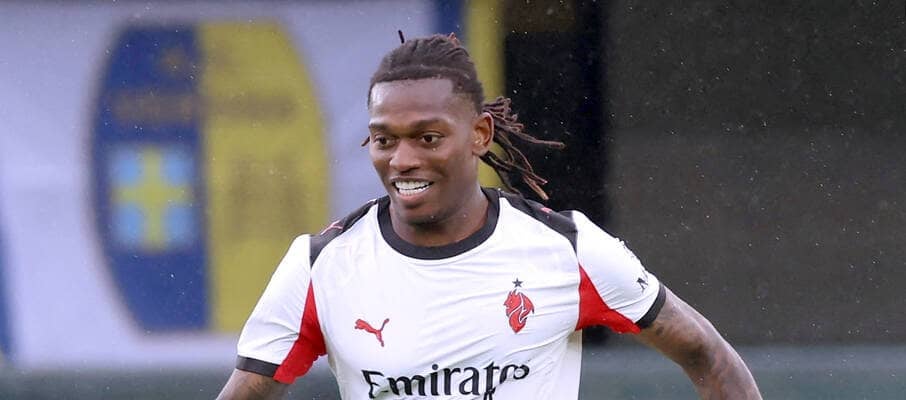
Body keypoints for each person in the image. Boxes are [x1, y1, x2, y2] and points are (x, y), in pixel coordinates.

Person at [216, 33, 761, 400]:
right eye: (384, 140)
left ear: (479, 135)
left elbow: (707, 356)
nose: (402, 159)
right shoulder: (321, 265)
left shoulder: (568, 249)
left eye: (428, 138)